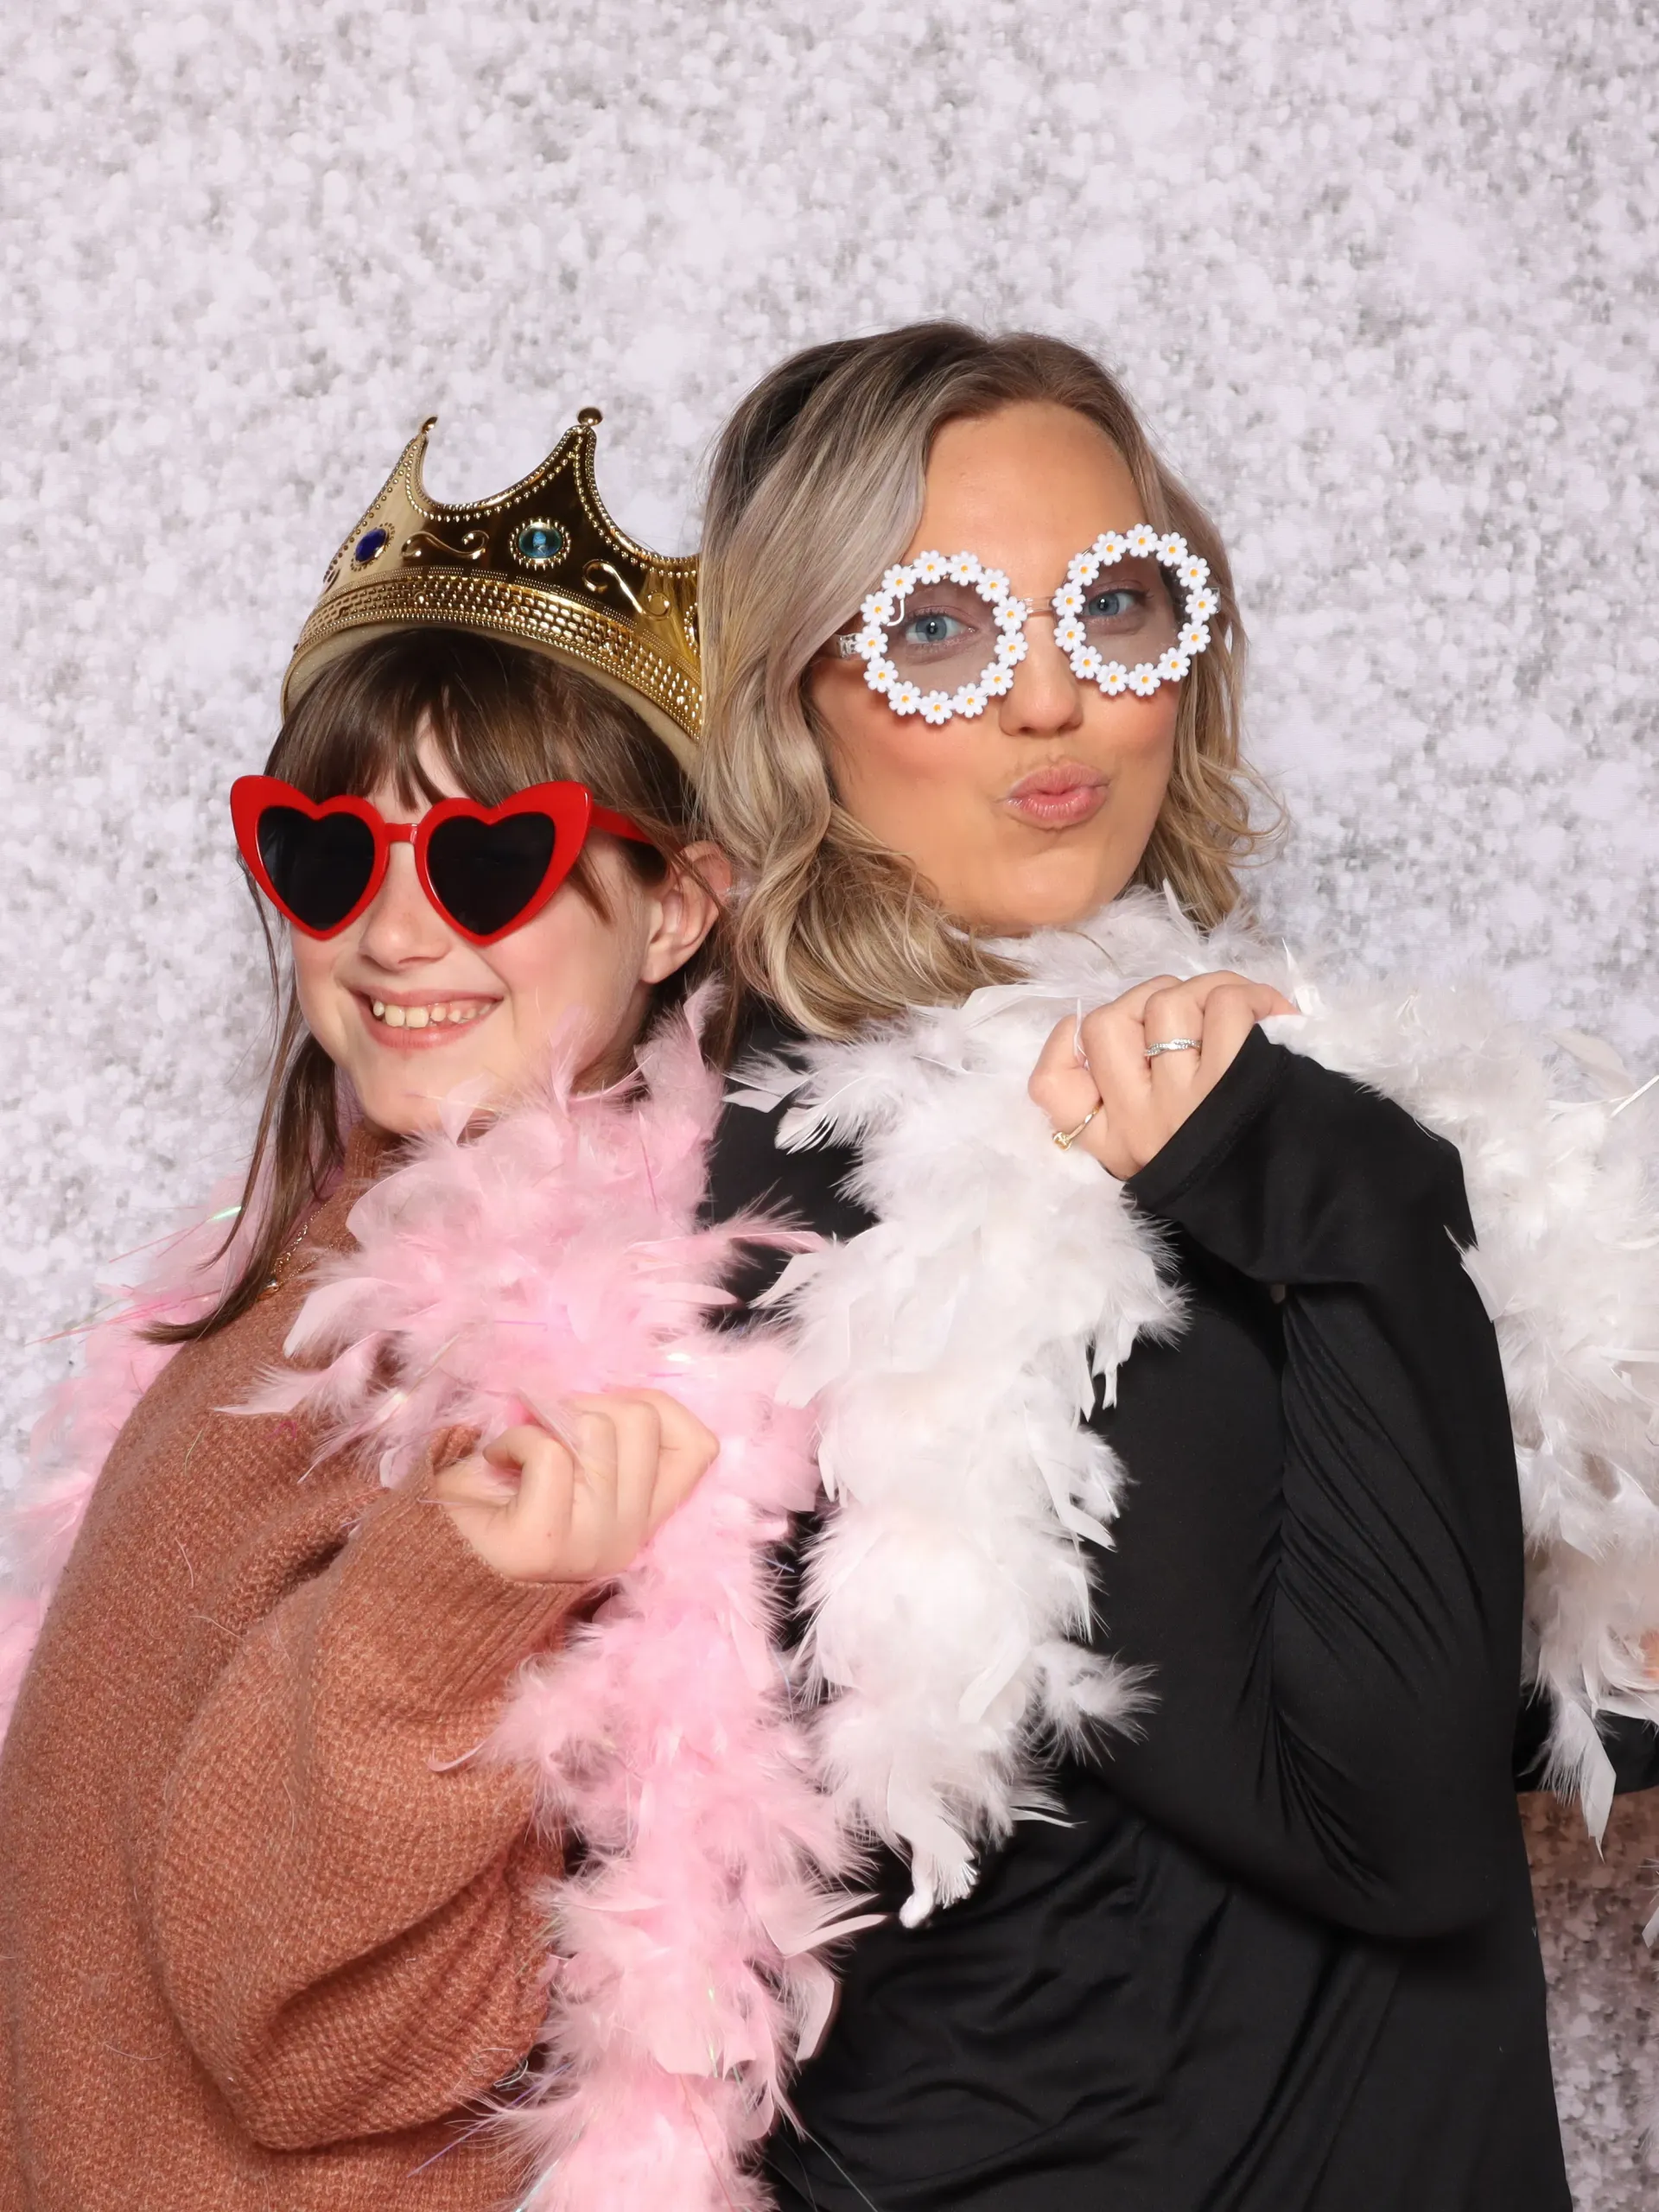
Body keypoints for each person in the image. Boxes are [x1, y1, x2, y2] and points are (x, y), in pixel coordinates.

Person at [694, 323, 1659, 2212]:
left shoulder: (1152, 1100)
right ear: (798, 693)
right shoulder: (885, 1191)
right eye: (945, 630)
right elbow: (1384, 1819)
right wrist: (1356, 1196)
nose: (1052, 702)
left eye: (1116, 607)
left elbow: (1384, 1660)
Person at [0, 414, 855, 2211]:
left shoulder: (582, 1363)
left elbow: (328, 2045)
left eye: (487, 860)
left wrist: (439, 1610)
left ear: (680, 904)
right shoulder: (312, 1273)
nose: (391, 931)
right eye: (324, 855)